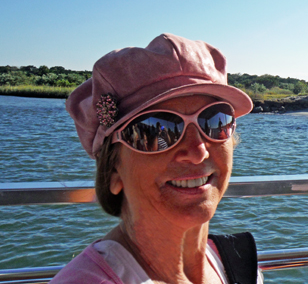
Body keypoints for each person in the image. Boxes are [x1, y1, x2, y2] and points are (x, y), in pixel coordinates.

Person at [51, 33, 263, 284]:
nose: (198, 152)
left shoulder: (239, 263)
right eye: (155, 129)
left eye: (215, 121)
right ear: (114, 171)